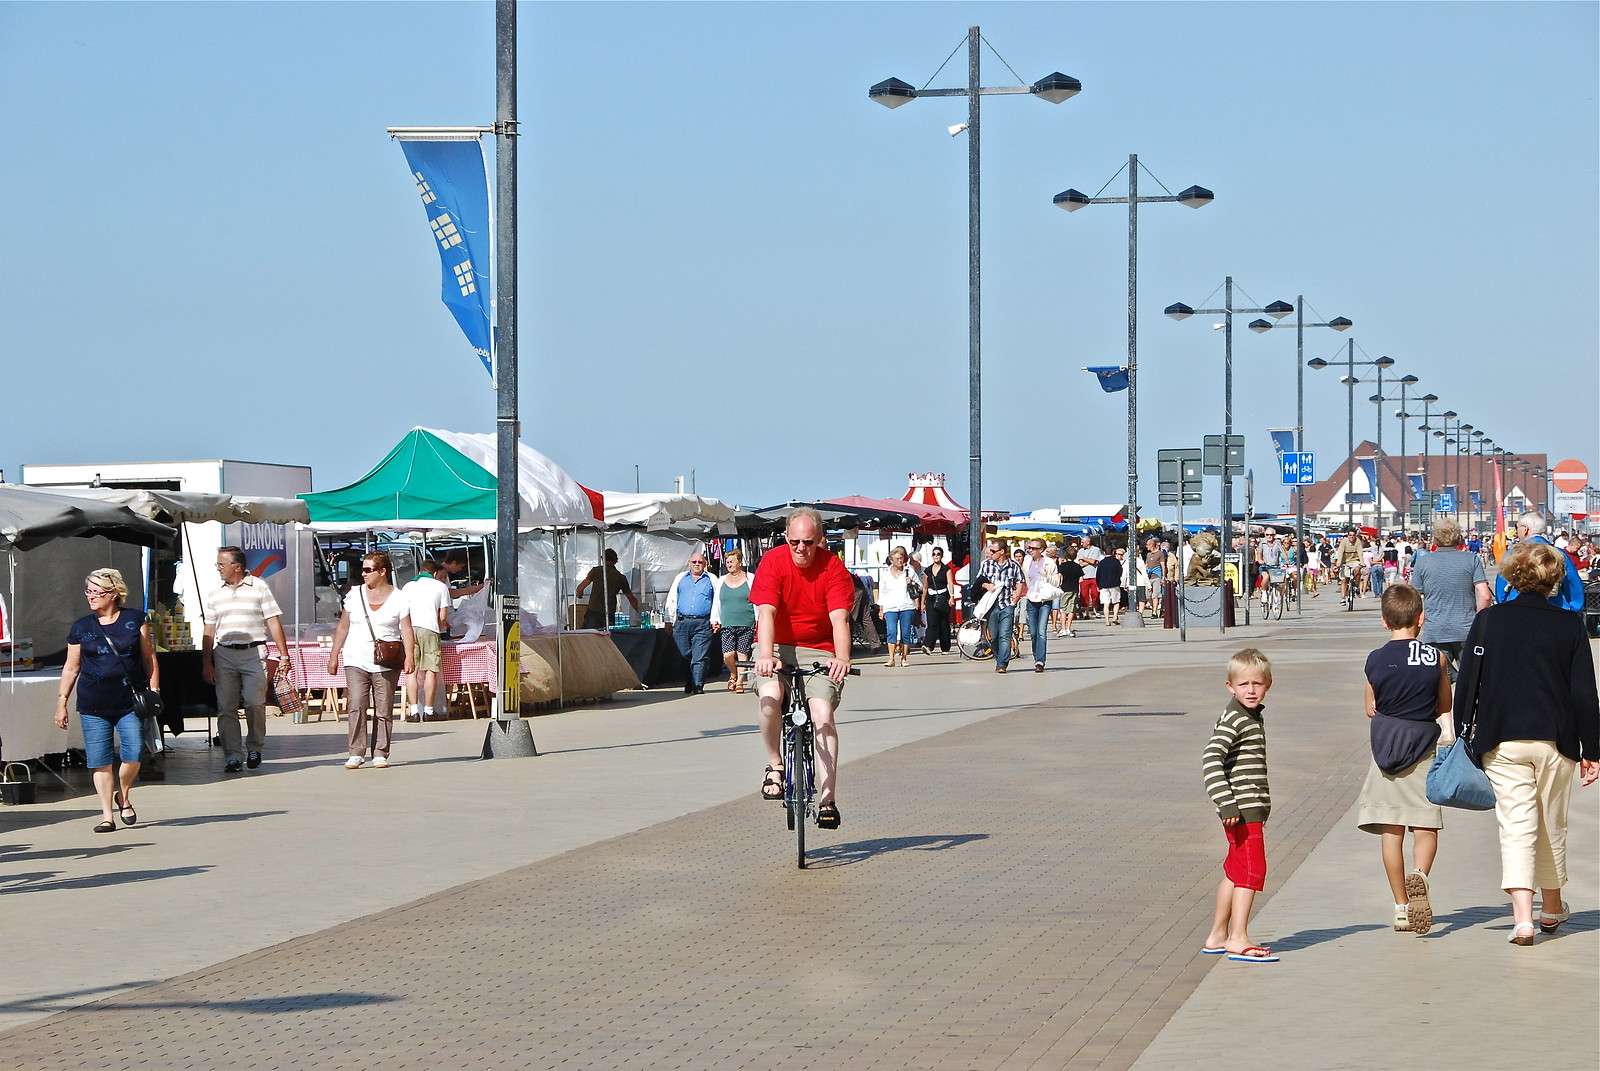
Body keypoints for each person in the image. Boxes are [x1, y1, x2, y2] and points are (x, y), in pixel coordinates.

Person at [1454, 542, 1599, 945]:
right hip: (1556, 738)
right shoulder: (1569, 625)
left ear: (1513, 576)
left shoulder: (1489, 621)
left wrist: (1464, 730)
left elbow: (1468, 680)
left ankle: (1522, 919)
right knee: (1551, 822)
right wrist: (1592, 750)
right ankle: (1551, 907)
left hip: (1502, 737)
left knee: (1516, 824)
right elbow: (1584, 692)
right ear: (1555, 580)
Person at [750, 508, 855, 829]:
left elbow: (840, 619)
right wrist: (765, 654)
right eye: (794, 541)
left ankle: (828, 799)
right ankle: (775, 765)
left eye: (808, 542)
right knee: (770, 696)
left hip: (819, 649)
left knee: (822, 713)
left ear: (820, 539)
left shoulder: (833, 567)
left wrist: (842, 657)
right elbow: (766, 613)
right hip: (775, 645)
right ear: (786, 537)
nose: (801, 548)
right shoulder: (773, 562)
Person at [1358, 585, 1452, 935]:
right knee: (1425, 826)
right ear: (1420, 618)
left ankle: (1400, 906)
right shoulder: (1436, 658)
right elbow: (1445, 705)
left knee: (1392, 830)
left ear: (1384, 621)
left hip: (1386, 750)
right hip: (1423, 747)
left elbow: (1370, 707)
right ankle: (1420, 875)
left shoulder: (1374, 659)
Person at [54, 569, 156, 833]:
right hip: (93, 702)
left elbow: (148, 657)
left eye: (96, 592)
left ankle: (123, 794)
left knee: (133, 753)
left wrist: (154, 689)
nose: (90, 596)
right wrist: (62, 701)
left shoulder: (135, 619)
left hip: (129, 701)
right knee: (100, 760)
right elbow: (71, 667)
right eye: (87, 591)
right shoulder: (81, 627)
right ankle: (107, 815)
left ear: (113, 593)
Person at [1201, 648, 1277, 963]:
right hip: (1242, 811)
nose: (1251, 690)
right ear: (1230, 686)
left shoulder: (1250, 716)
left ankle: (1218, 935)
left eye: (1257, 684)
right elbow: (1211, 758)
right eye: (1243, 684)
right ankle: (1238, 936)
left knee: (1235, 872)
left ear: (1268, 684)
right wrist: (1227, 803)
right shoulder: (1236, 718)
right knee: (1251, 872)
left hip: (1246, 808)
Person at [202, 546, 291, 773]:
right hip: (224, 653)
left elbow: (273, 622)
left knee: (254, 703)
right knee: (226, 707)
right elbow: (209, 630)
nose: (218, 568)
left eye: (222, 564)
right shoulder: (215, 593)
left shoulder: (259, 587)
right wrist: (206, 662)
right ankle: (232, 756)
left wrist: (284, 655)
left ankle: (254, 748)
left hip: (254, 652)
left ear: (237, 567)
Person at [327, 552, 415, 770]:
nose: (363, 574)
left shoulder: (399, 597)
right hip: (355, 657)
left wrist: (410, 656)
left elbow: (406, 629)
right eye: (363, 570)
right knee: (356, 703)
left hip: (387, 659)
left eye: (368, 570)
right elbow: (343, 627)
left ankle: (380, 752)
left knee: (384, 707)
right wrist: (334, 654)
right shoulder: (354, 594)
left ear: (382, 571)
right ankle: (356, 752)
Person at [1410, 517, 1490, 682]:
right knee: (1471, 681)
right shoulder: (1471, 559)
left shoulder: (1423, 562)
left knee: (1438, 681)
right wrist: (1479, 620)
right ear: (1459, 537)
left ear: (1435, 538)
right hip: (1466, 629)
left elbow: (1414, 597)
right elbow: (1485, 595)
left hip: (1435, 630)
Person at [1493, 512, 1585, 611]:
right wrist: (1571, 609)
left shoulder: (1514, 554)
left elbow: (1501, 590)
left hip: (1518, 610)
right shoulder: (1558, 554)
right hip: (1554, 610)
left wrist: (1505, 606)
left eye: (1517, 527)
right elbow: (1573, 587)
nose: (1516, 532)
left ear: (1525, 530)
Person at [403, 559, 451, 721]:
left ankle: (414, 711)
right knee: (431, 670)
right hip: (430, 630)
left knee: (412, 670)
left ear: (420, 571)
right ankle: (429, 711)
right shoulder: (441, 587)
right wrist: (442, 626)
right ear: (435, 573)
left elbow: (402, 613)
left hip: (410, 629)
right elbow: (443, 617)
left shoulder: (408, 586)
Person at [665, 549, 717, 694]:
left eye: (700, 562)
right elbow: (671, 598)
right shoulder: (680, 578)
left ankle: (698, 685)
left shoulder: (712, 579)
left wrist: (715, 619)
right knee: (684, 654)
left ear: (705, 564)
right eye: (694, 562)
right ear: (689, 563)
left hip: (703, 623)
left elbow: (717, 601)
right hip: (682, 622)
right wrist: (668, 620)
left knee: (699, 656)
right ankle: (690, 680)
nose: (697, 564)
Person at [975, 539, 1025, 672]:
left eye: (993, 550)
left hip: (1007, 604)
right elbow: (979, 581)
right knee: (994, 636)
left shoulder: (1013, 566)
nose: (990, 553)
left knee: (1005, 635)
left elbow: (1020, 581)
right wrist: (986, 585)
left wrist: (1016, 598)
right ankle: (999, 657)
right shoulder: (986, 565)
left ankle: (1002, 664)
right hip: (991, 606)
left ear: (1002, 551)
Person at [710, 547, 756, 692]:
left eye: (732, 561)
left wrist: (759, 619)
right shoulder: (721, 580)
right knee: (728, 655)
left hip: (746, 622)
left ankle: (740, 682)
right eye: (727, 562)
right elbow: (716, 602)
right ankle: (733, 673)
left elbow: (756, 601)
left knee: (742, 653)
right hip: (727, 623)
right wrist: (714, 619)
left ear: (740, 562)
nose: (729, 564)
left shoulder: (750, 578)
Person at [1018, 540, 1061, 672]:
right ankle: (1037, 656)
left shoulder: (1049, 562)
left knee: (1041, 631)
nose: (1030, 550)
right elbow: (1025, 578)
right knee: (1033, 632)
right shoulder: (1027, 561)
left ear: (1041, 549)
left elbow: (1056, 582)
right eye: (1029, 548)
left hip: (1044, 600)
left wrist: (1046, 575)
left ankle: (1040, 661)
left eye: (1033, 548)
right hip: (1031, 599)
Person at [576, 548, 641, 630]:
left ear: (603, 559)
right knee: (608, 636)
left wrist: (579, 594)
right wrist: (641, 613)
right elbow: (631, 599)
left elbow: (580, 588)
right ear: (615, 561)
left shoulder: (595, 571)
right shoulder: (620, 577)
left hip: (593, 612)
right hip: (609, 613)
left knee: (590, 635)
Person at [876, 546, 919, 668]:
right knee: (891, 631)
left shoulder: (909, 571)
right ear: (891, 560)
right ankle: (891, 658)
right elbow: (882, 591)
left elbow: (920, 586)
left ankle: (904, 658)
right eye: (897, 559)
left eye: (901, 558)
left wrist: (912, 582)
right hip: (890, 606)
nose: (900, 561)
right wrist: (881, 609)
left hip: (906, 605)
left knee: (905, 633)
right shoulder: (885, 574)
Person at [921, 545, 956, 653]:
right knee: (932, 622)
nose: (936, 556)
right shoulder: (927, 570)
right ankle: (928, 645)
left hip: (943, 597)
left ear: (941, 556)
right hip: (931, 598)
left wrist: (951, 597)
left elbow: (950, 584)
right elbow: (925, 587)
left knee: (943, 623)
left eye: (938, 554)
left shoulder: (946, 569)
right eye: (934, 554)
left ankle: (945, 647)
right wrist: (922, 602)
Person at [1055, 547, 1083, 638]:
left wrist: (1058, 586)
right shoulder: (1077, 566)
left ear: (1065, 555)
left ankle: (1063, 629)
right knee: (1071, 609)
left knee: (1063, 610)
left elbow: (1059, 578)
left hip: (1064, 589)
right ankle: (1068, 628)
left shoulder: (1062, 566)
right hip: (1074, 589)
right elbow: (1081, 579)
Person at [1096, 546, 1124, 626]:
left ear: (1104, 553)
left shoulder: (1101, 562)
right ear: (1113, 553)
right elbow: (1120, 572)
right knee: (1116, 601)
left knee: (1106, 603)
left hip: (1103, 585)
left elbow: (1098, 575)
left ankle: (1107, 621)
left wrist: (1098, 585)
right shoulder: (1116, 562)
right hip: (1114, 584)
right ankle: (1114, 617)